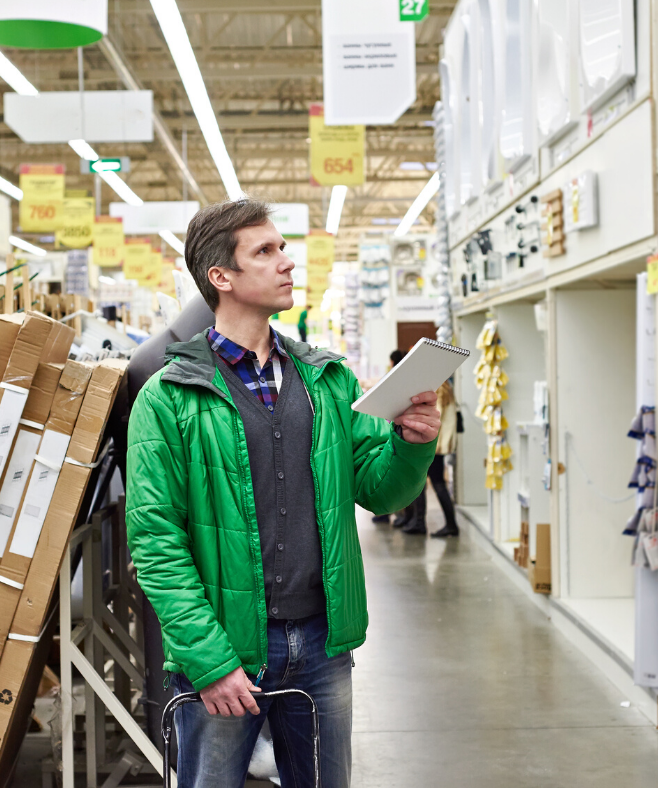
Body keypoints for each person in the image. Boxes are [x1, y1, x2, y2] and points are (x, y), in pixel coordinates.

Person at [126, 198, 440, 788]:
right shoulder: (168, 396)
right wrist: (210, 662)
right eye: (264, 251)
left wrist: (413, 445)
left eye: (283, 247)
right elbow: (155, 543)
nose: (286, 262)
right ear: (221, 277)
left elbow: (381, 490)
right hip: (225, 653)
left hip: (322, 646)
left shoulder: (328, 379)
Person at [402, 380, 460, 537]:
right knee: (436, 482)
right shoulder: (446, 388)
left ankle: (421, 522)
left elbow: (433, 418)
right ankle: (446, 523)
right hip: (439, 444)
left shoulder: (439, 389)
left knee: (423, 482)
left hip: (434, 445)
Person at [371, 348, 407, 526]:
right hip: (394, 428)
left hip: (389, 428)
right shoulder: (406, 379)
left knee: (387, 467)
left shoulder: (391, 378)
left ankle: (392, 514)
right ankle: (398, 515)